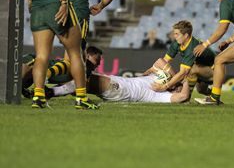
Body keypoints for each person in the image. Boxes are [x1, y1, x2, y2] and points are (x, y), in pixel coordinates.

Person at [30, 0, 98, 109]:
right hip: (56, 4)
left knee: (41, 56)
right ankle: (81, 98)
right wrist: (64, 3)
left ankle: (38, 97)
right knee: (76, 53)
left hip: (38, 8)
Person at [45, 0, 114, 80]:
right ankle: (46, 75)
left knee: (70, 56)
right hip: (78, 16)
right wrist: (100, 6)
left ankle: (65, 85)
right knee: (76, 56)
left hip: (58, 15)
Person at [49, 59, 190, 103]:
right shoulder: (160, 79)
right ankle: (50, 87)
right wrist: (175, 78)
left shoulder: (162, 95)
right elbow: (159, 61)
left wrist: (185, 81)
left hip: (123, 91)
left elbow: (183, 96)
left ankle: (51, 90)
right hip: (119, 82)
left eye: (178, 88)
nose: (178, 90)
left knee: (88, 81)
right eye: (178, 87)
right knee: (84, 80)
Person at [147, 20, 215, 98]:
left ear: (186, 35)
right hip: (201, 69)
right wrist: (150, 71)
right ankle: (214, 96)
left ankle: (187, 99)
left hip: (215, 71)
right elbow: (165, 61)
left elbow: (183, 73)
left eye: (177, 34)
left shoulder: (193, 47)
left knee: (190, 70)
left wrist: (165, 87)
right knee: (201, 90)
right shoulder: (177, 43)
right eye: (174, 33)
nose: (174, 36)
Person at [22, 46, 103, 98]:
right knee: (28, 71)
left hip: (35, 66)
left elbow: (67, 86)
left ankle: (20, 88)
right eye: (97, 60)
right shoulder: (86, 65)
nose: (98, 64)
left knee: (27, 80)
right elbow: (72, 87)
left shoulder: (83, 67)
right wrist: (52, 92)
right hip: (32, 61)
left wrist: (50, 91)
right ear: (88, 56)